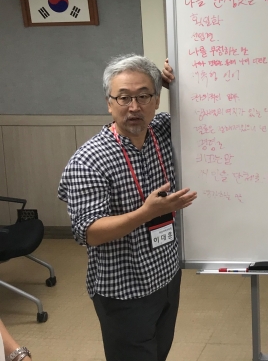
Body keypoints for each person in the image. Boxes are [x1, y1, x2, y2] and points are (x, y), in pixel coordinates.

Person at [58, 54, 196, 361]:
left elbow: (201, 113)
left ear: (156, 101)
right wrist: (147, 213)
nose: (134, 107)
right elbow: (89, 232)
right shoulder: (89, 160)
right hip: (124, 290)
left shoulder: (163, 132)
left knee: (159, 352)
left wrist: (181, 80)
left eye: (143, 96)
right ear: (109, 104)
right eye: (123, 98)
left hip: (167, 274)